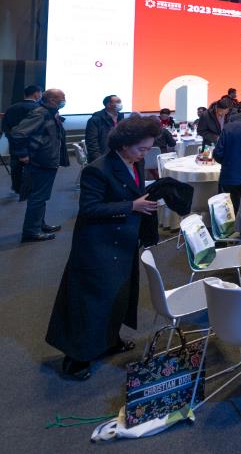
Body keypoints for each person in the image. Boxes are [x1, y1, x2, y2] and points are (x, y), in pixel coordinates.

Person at [45, 116, 162, 380]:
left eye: (147, 149)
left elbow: (131, 191)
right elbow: (89, 209)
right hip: (97, 245)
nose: (144, 154)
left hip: (123, 241)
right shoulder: (97, 169)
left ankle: (108, 341)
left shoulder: (135, 161)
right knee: (90, 302)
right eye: (141, 149)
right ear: (124, 145)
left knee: (117, 296)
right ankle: (76, 358)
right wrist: (132, 206)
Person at [10, 89, 69, 242]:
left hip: (47, 161)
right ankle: (32, 231)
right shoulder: (40, 113)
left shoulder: (50, 112)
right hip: (40, 162)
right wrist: (22, 154)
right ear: (51, 100)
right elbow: (18, 133)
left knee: (41, 197)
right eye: (62, 98)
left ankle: (38, 225)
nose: (64, 100)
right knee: (37, 197)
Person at [1, 84, 41, 196]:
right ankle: (30, 189)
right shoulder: (38, 109)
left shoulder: (11, 108)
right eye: (40, 93)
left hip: (14, 143)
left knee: (15, 166)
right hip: (33, 144)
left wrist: (11, 137)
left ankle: (17, 188)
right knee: (33, 167)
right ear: (36, 94)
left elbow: (4, 127)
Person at [83, 95, 125, 162]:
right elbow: (92, 143)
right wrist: (99, 160)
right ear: (108, 105)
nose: (120, 104)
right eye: (118, 102)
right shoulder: (95, 120)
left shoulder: (121, 118)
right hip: (103, 157)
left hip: (119, 155)